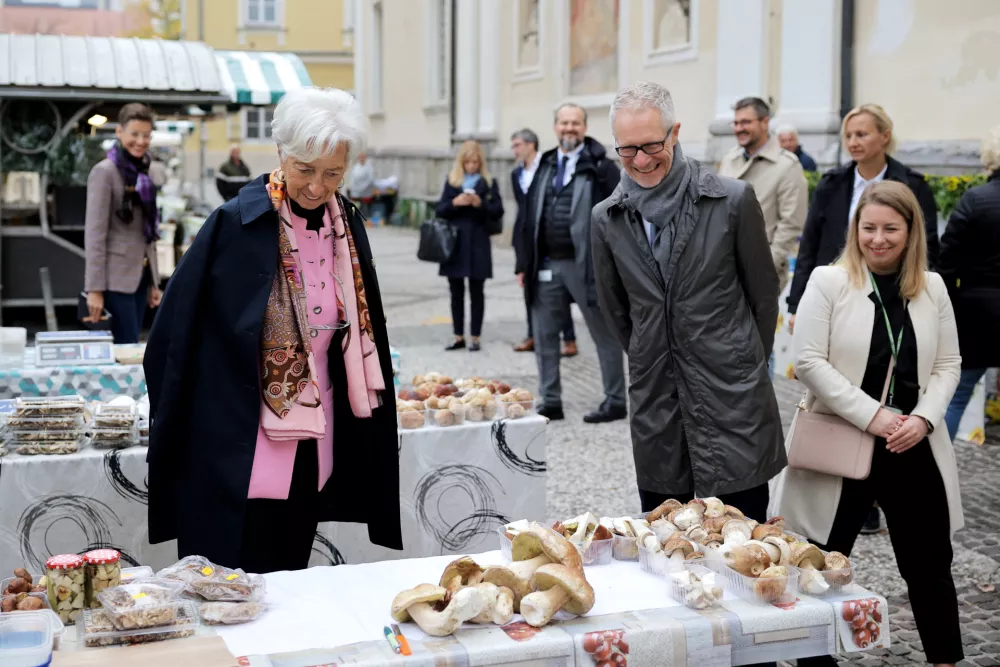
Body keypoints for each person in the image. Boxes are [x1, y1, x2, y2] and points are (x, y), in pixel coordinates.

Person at [144, 87, 402, 573]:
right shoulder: (232, 225)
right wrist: (192, 425)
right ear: (281, 152)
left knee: (290, 576)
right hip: (236, 447)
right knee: (229, 583)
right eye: (305, 169)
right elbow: (169, 340)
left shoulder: (347, 222)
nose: (316, 186)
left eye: (332, 173)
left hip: (313, 435)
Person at [773, 181, 963, 667]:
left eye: (890, 229)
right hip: (841, 438)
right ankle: (816, 660)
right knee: (817, 562)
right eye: (868, 227)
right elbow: (809, 361)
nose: (877, 239)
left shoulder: (933, 286)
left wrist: (922, 419)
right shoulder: (828, 281)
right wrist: (873, 416)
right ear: (855, 228)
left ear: (911, 232)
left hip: (911, 441)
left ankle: (945, 659)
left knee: (929, 566)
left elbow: (948, 365)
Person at [591, 81, 785, 523]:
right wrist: (652, 350)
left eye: (651, 145)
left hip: (731, 394)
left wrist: (739, 360)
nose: (640, 161)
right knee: (666, 540)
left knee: (743, 536)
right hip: (656, 393)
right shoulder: (608, 217)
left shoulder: (731, 201)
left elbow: (763, 297)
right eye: (627, 150)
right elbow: (617, 311)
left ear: (674, 133)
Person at [518, 103, 626, 423]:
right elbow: (527, 217)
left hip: (588, 266)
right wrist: (524, 264)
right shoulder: (545, 164)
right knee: (545, 335)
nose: (569, 129)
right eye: (564, 123)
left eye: (575, 123)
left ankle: (616, 400)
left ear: (584, 127)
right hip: (547, 264)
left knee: (604, 335)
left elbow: (619, 218)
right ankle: (550, 400)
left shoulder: (602, 167)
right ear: (555, 127)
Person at [939, 125, 1000, 440]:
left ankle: (935, 471)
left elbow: (947, 259)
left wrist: (947, 306)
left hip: (976, 312)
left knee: (958, 395)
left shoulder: (974, 200)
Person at [84, 102, 162, 344]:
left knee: (134, 348)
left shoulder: (145, 171)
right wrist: (94, 289)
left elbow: (148, 233)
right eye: (134, 134)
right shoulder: (104, 172)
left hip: (140, 277)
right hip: (113, 281)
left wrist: (154, 282)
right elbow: (95, 234)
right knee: (123, 349)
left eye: (146, 135)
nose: (140, 141)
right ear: (119, 132)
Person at [718, 97, 808, 295]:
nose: (739, 128)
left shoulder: (787, 166)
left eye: (746, 122)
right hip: (723, 275)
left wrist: (762, 268)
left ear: (765, 122)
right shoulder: (729, 160)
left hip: (761, 280)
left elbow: (791, 225)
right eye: (736, 122)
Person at [510, 129, 577, 357]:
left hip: (546, 235)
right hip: (524, 235)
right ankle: (533, 334)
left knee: (560, 288)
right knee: (528, 284)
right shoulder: (516, 173)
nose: (515, 150)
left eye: (518, 145)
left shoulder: (547, 166)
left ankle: (569, 338)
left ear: (531, 145)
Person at [435, 140, 504, 352]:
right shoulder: (452, 180)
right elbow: (440, 209)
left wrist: (479, 204)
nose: (472, 166)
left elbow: (498, 210)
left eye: (475, 162)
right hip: (455, 243)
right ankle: (458, 336)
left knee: (477, 291)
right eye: (468, 162)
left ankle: (475, 337)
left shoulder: (489, 182)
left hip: (478, 242)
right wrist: (455, 203)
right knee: (455, 292)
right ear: (461, 162)